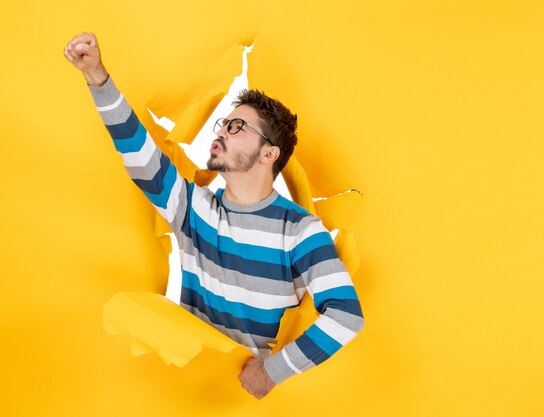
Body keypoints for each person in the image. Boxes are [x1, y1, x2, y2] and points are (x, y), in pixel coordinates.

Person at [64, 32, 364, 399]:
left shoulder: (300, 232)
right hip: (176, 393)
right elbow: (139, 153)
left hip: (245, 400)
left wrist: (271, 373)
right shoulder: (194, 208)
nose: (221, 131)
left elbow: (346, 316)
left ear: (269, 154)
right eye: (223, 123)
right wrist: (97, 77)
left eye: (237, 127)